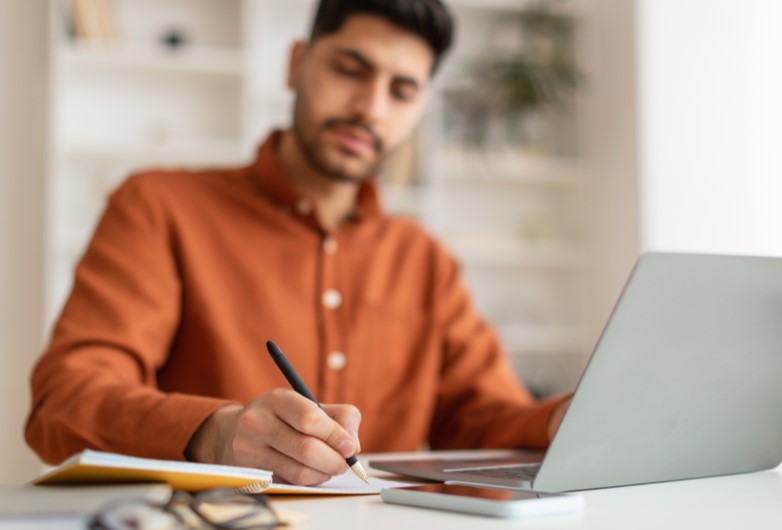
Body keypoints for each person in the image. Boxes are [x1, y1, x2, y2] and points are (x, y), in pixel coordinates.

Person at [25, 0, 570, 487]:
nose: (370, 107)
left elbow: (485, 419)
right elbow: (66, 400)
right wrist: (215, 435)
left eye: (401, 91)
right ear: (296, 63)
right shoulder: (158, 206)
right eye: (349, 70)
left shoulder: (424, 259)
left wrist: (564, 418)